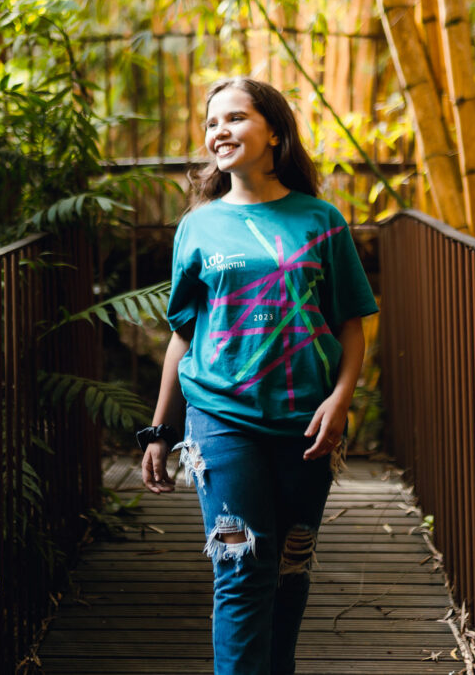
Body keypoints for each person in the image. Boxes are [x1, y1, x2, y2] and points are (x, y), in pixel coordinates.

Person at [138, 76, 378, 675]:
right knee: (241, 567)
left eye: (236, 118)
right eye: (212, 122)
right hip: (220, 419)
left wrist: (341, 401)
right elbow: (184, 333)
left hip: (306, 423)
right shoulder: (197, 226)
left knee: (290, 568)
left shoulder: (320, 221)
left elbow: (352, 323)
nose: (220, 131)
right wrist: (160, 430)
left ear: (274, 131)